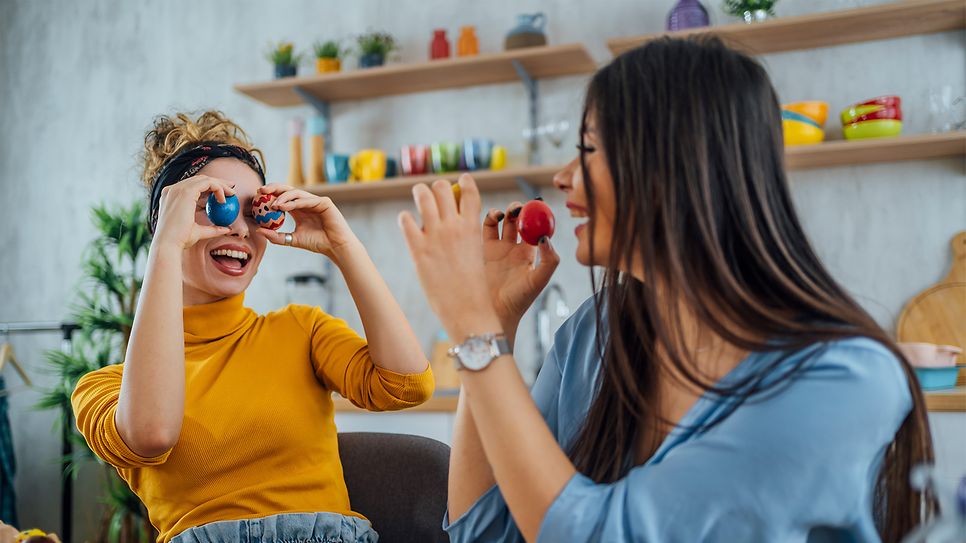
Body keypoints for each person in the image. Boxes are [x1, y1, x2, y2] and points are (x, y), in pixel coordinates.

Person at [398, 37, 934, 542]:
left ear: (682, 163)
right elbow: (486, 531)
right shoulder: (593, 332)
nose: (563, 178)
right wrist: (495, 320)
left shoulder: (843, 377)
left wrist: (474, 329)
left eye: (590, 148)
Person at [72, 111, 434, 543]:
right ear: (166, 220)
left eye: (255, 213)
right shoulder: (107, 389)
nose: (241, 229)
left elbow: (407, 385)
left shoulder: (302, 331)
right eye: (216, 206)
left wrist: (343, 246)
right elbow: (152, 434)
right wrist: (166, 247)